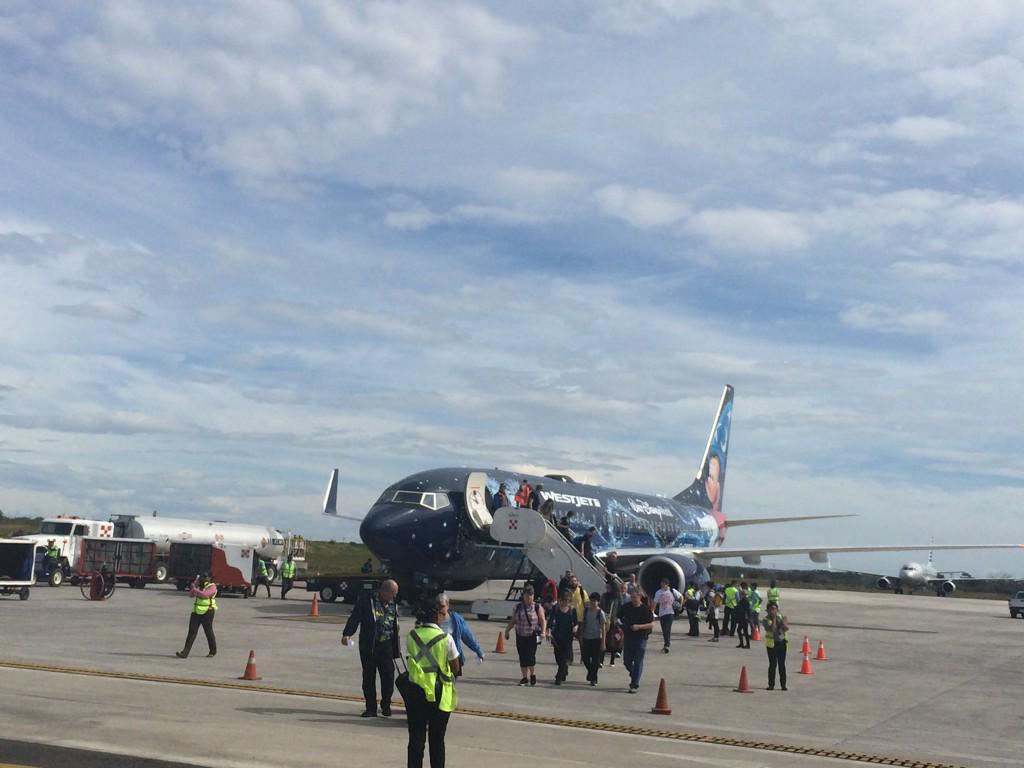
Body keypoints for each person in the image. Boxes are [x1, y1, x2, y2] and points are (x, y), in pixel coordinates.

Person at [404, 599, 459, 768]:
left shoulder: (412, 636)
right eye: (442, 614)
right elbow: (455, 667)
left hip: (416, 691)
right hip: (439, 693)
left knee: (416, 738)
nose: (444, 617)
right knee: (437, 739)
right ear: (436, 616)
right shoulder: (446, 638)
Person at [342, 579, 401, 717]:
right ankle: (371, 708)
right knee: (369, 677)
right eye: (392, 594)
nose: (394, 597)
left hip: (387, 645)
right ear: (384, 591)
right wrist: (347, 634)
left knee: (388, 675)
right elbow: (355, 617)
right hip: (369, 645)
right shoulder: (367, 600)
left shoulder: (394, 602)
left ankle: (386, 704)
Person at [504, 586, 546, 686]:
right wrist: (507, 630)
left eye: (531, 595)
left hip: (531, 636)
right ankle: (524, 677)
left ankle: (532, 674)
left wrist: (543, 632)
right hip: (520, 635)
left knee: (530, 656)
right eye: (527, 595)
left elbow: (542, 620)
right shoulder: (517, 607)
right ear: (523, 596)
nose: (529, 597)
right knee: (522, 656)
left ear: (533, 596)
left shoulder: (537, 607)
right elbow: (513, 620)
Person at [435, 593, 483, 676]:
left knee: (450, 685)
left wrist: (479, 651)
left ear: (448, 605)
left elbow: (467, 636)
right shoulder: (432, 620)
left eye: (442, 606)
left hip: (453, 658)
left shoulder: (456, 620)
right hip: (436, 659)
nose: (440, 610)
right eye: (438, 607)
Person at [618, 588, 654, 693]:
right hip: (628, 637)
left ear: (640, 598)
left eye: (635, 597)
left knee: (638, 661)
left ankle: (635, 684)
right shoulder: (626, 607)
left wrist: (639, 626)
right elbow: (618, 617)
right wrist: (618, 623)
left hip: (641, 638)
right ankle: (634, 674)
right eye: (631, 597)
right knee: (627, 661)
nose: (633, 599)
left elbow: (652, 624)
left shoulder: (646, 610)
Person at [176, 573, 217, 658]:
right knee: (192, 632)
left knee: (208, 631)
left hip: (207, 612)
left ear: (210, 578)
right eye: (202, 577)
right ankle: (185, 652)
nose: (203, 579)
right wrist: (194, 586)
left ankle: (213, 651)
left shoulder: (212, 587)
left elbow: (205, 595)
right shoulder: (199, 586)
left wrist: (195, 589)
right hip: (196, 612)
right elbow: (191, 595)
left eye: (205, 577)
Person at [548, 589, 577, 685]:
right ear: (560, 599)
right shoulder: (555, 609)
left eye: (568, 600)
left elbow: (576, 623)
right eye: (564, 600)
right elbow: (550, 621)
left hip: (568, 637)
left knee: (564, 658)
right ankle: (564, 671)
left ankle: (558, 677)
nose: (566, 602)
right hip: (557, 637)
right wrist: (548, 631)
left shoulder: (572, 610)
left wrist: (575, 628)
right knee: (558, 658)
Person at [580, 592, 607, 686]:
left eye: (594, 601)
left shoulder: (600, 613)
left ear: (598, 602)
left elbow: (603, 628)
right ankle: (591, 672)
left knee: (595, 660)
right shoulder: (586, 611)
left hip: (596, 638)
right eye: (591, 601)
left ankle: (593, 678)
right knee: (585, 658)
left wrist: (603, 642)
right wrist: (581, 636)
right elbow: (583, 624)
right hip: (586, 637)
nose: (592, 603)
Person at [763, 602, 789, 691]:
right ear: (767, 611)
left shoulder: (782, 617)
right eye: (771, 609)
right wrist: (774, 618)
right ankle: (771, 685)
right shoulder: (765, 620)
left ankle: (783, 685)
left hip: (782, 643)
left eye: (775, 609)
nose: (773, 611)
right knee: (773, 664)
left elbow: (785, 628)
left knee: (782, 664)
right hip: (772, 645)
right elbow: (773, 629)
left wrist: (781, 621)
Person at [652, 578, 682, 653]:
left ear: (667, 584)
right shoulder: (658, 592)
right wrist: (652, 611)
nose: (662, 585)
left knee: (667, 629)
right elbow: (655, 602)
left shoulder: (672, 590)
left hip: (670, 613)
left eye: (664, 583)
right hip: (662, 613)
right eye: (662, 583)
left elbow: (681, 597)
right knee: (664, 630)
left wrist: (680, 605)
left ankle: (667, 645)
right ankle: (666, 643)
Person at [603, 580, 627, 666]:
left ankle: (613, 658)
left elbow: (621, 608)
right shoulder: (604, 596)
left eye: (608, 587)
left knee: (614, 639)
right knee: (604, 638)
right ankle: (601, 659)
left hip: (614, 620)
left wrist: (619, 618)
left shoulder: (618, 596)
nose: (607, 589)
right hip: (605, 619)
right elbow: (602, 606)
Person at [735, 583, 751, 649]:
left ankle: (747, 644)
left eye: (742, 594)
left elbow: (747, 610)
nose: (741, 595)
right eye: (741, 594)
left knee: (744, 631)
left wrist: (747, 618)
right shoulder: (742, 600)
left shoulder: (746, 601)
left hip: (744, 618)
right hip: (741, 617)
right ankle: (742, 643)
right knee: (740, 630)